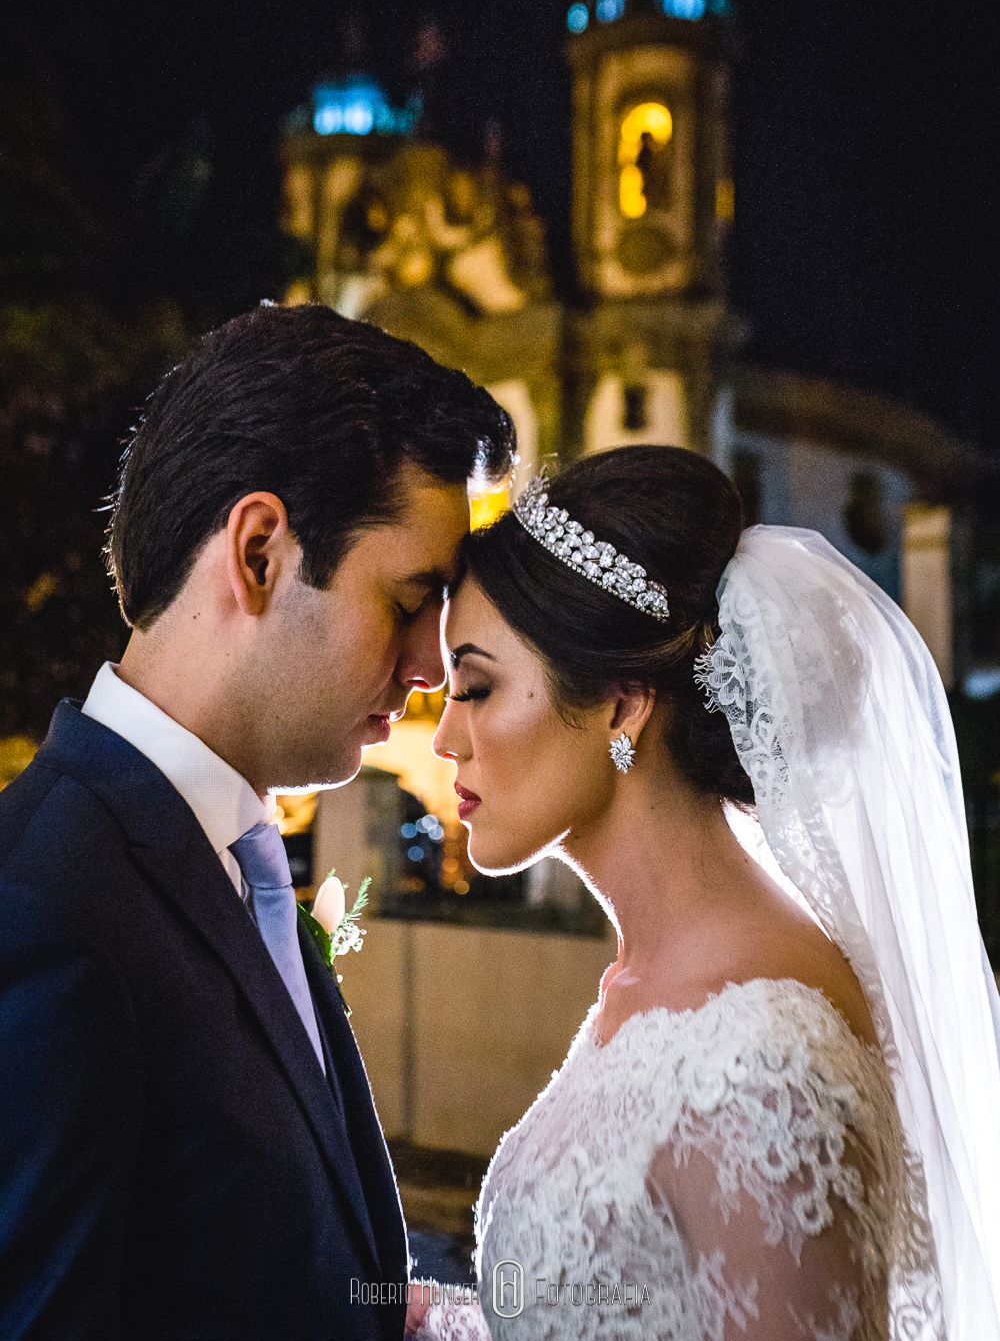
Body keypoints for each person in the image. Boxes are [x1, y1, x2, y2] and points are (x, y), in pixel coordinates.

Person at [0, 304, 514, 1340]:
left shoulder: (229, 857)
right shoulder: (43, 910)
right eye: (409, 599)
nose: (428, 669)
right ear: (261, 551)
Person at [411, 445, 1000, 1340]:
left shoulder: (764, 1061)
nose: (446, 736)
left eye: (478, 687)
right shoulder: (650, 978)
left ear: (622, 703)